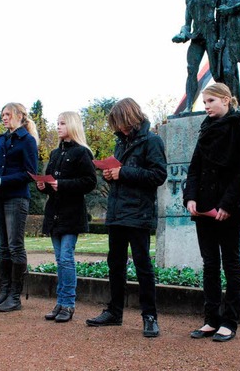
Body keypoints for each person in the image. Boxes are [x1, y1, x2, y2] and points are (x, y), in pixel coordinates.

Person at [85, 98, 167, 338]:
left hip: (138, 212)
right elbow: (123, 174)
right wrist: (111, 175)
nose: (118, 128)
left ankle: (149, 316)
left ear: (130, 117)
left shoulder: (152, 141)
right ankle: (114, 311)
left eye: (120, 123)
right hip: (118, 211)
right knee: (115, 264)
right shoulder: (121, 143)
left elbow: (158, 175)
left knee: (143, 266)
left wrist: (123, 172)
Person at [182, 83, 240, 342]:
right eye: (204, 103)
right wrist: (189, 197)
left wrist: (227, 204)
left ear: (226, 100)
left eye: (211, 101)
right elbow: (195, 167)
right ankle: (211, 319)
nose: (207, 106)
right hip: (203, 207)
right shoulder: (206, 127)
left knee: (231, 264)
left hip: (228, 209)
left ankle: (229, 322)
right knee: (210, 264)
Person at [0, 102, 39, 313]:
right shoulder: (2, 140)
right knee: (2, 247)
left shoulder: (27, 141)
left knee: (15, 246)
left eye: (8, 114)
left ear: (19, 116)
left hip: (16, 198)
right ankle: (3, 293)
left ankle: (15, 296)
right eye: (2, 114)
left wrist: (0, 181)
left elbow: (30, 173)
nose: (4, 117)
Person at [36, 112, 97, 323]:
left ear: (71, 125)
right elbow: (51, 182)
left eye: (62, 123)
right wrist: (43, 185)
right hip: (54, 213)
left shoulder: (82, 153)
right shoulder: (54, 153)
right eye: (57, 123)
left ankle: (68, 304)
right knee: (60, 260)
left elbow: (90, 182)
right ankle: (60, 303)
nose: (58, 127)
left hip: (71, 214)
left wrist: (62, 184)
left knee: (66, 259)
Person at [172, 0, 223, 113]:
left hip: (211, 31)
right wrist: (182, 33)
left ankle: (228, 104)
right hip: (197, 35)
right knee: (191, 69)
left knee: (216, 72)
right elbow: (187, 21)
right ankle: (188, 107)